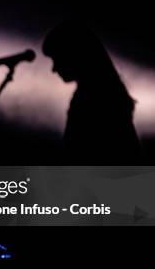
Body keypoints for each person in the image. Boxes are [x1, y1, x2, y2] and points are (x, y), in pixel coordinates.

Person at [42, 19, 141, 164]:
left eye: (57, 58)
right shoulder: (105, 92)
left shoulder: (92, 97)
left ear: (74, 54)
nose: (54, 69)